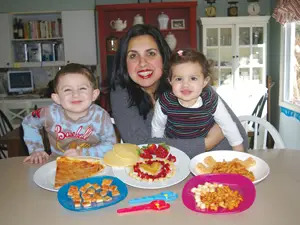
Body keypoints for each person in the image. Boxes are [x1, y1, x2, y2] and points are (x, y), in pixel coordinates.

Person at [110, 24, 248, 158]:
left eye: (151, 53)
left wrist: (164, 146)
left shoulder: (188, 82)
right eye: (133, 56)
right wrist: (207, 143)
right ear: (124, 63)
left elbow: (239, 140)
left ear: (164, 58)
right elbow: (141, 148)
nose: (142, 63)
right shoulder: (121, 93)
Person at [151, 49, 244, 151]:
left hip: (205, 149)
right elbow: (157, 128)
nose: (185, 84)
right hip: (176, 149)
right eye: (178, 79)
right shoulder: (165, 102)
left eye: (193, 78)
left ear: (204, 81)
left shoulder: (210, 100)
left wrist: (238, 148)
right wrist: (157, 150)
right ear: (170, 81)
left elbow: (227, 124)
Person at [23, 63, 116, 164]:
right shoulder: (49, 113)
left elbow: (111, 145)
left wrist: (83, 153)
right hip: (57, 164)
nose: (75, 94)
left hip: (93, 164)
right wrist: (36, 150)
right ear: (57, 98)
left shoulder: (101, 116)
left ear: (94, 95)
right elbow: (29, 122)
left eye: (82, 88)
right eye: (67, 90)